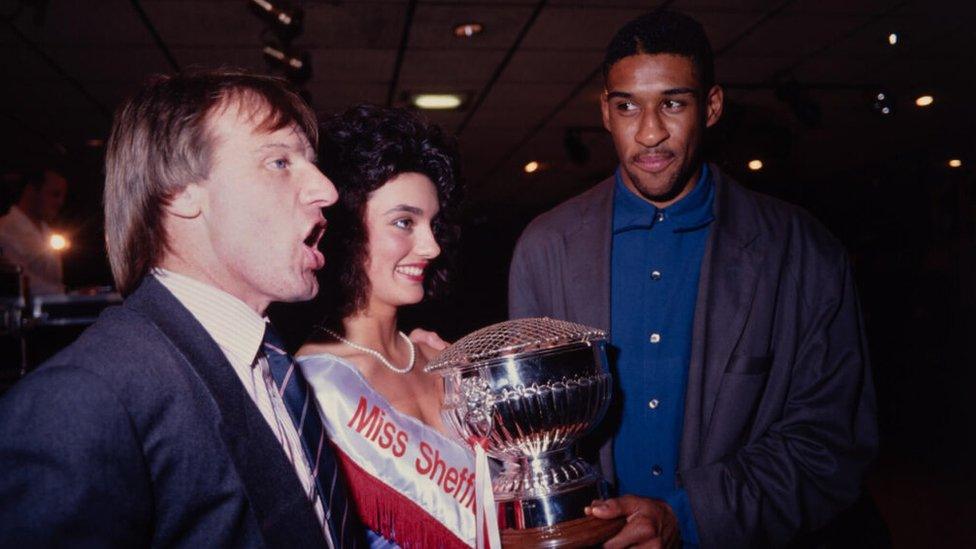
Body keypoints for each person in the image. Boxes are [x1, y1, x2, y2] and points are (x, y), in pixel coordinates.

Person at [508, 10, 878, 549]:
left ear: (711, 107)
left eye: (673, 103)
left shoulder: (802, 250)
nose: (650, 132)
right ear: (606, 113)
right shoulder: (545, 249)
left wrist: (689, 517)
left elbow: (832, 444)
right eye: (628, 105)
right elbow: (531, 440)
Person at [0, 69, 366, 548]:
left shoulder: (273, 366)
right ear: (178, 193)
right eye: (279, 161)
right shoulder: (80, 400)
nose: (327, 190)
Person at [296, 104, 475, 548]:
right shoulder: (307, 383)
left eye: (433, 224)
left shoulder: (444, 359)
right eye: (404, 222)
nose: (431, 246)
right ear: (345, 229)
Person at [0, 167, 69, 294]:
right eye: (55, 194)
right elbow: (20, 282)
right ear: (32, 191)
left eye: (63, 196)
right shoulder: (5, 229)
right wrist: (65, 293)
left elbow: (54, 280)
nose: (60, 202)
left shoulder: (47, 232)